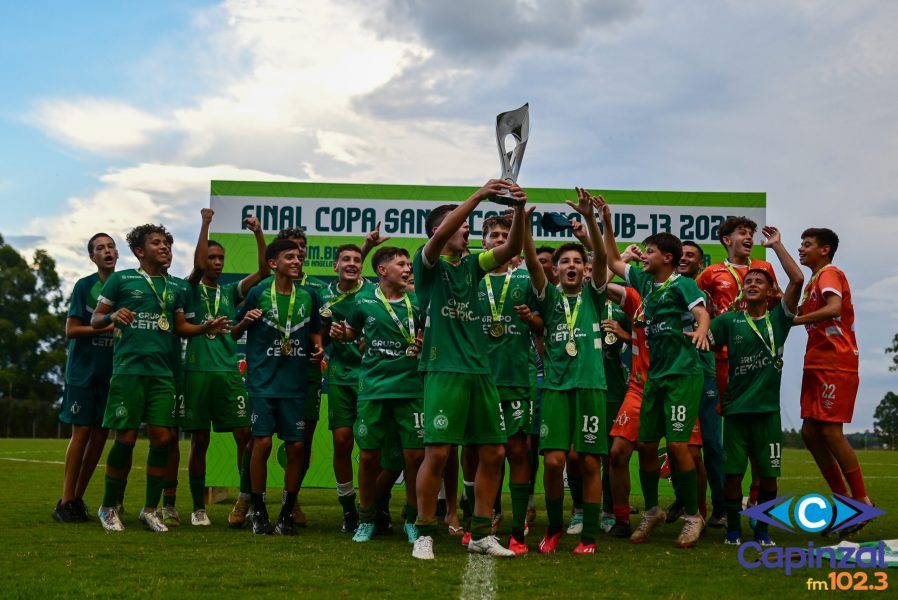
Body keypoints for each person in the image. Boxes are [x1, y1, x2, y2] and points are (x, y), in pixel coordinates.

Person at [411, 179, 527, 561]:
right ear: (438, 232)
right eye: (461, 225)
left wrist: (519, 213)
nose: (467, 229)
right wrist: (478, 195)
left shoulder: (473, 265)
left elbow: (510, 248)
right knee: (439, 454)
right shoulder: (426, 263)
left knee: (494, 453)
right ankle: (425, 532)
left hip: (480, 372)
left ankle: (481, 533)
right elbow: (444, 230)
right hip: (443, 370)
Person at [91, 224, 227, 532]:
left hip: (164, 374)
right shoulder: (121, 279)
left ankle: (149, 509)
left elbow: (180, 327)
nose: (164, 247)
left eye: (167, 242)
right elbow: (95, 318)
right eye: (156, 243)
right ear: (140, 251)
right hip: (129, 372)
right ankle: (108, 506)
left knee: (164, 440)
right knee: (124, 439)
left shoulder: (178, 287)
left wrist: (205, 328)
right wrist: (112, 316)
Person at [601, 198, 712, 549]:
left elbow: (702, 313)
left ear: (667, 258)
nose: (642, 256)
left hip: (683, 376)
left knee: (679, 446)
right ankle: (652, 511)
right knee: (646, 445)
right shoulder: (646, 285)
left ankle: (694, 515)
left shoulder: (682, 285)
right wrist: (604, 220)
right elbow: (614, 261)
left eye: (648, 251)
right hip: (655, 378)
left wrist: (700, 330)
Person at [524, 187, 609, 555]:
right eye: (565, 263)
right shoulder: (550, 296)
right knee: (555, 460)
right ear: (555, 270)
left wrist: (590, 219)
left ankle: (589, 536)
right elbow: (530, 264)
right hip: (556, 387)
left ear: (586, 269)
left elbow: (603, 258)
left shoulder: (594, 293)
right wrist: (524, 229)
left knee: (589, 461)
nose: (572, 266)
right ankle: (555, 528)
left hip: (590, 386)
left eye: (578, 261)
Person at [706, 226, 802, 546]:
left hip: (767, 414)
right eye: (748, 281)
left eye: (758, 280)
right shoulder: (728, 321)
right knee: (733, 475)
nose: (751, 283)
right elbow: (702, 341)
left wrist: (776, 247)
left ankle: (762, 530)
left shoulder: (779, 320)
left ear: (770, 290)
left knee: (769, 477)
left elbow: (798, 280)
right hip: (735, 411)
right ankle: (734, 530)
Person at [331, 246, 425, 544]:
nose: (408, 268)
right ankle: (366, 518)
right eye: (401, 264)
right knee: (369, 456)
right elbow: (350, 331)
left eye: (409, 264)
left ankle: (412, 518)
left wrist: (424, 340)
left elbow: (430, 334)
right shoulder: (363, 301)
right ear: (383, 270)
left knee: (414, 456)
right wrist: (341, 334)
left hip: (411, 388)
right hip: (374, 388)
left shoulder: (419, 300)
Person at [231, 239, 324, 535]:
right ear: (273, 264)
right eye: (290, 257)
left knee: (297, 447)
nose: (297, 261)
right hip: (262, 384)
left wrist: (320, 348)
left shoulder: (309, 296)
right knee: (262, 444)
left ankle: (286, 513)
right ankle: (258, 511)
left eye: (299, 257)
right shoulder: (258, 293)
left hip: (295, 386)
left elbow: (316, 332)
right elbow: (232, 334)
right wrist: (245, 321)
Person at [182, 209, 269, 527]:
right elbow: (197, 266)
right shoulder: (188, 289)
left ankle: (244, 500)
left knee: (245, 435)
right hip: (198, 372)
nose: (217, 262)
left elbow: (263, 270)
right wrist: (205, 223)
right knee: (200, 440)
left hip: (229, 373)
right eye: (212, 257)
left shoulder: (230, 292)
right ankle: (197, 507)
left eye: (221, 258)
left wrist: (258, 232)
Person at [696, 217, 779, 523]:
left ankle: (757, 506)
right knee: (720, 439)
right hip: (721, 360)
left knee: (759, 436)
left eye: (751, 234)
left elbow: (780, 301)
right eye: (742, 233)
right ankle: (720, 508)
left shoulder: (764, 269)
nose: (749, 237)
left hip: (757, 360)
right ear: (726, 240)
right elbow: (694, 304)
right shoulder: (711, 273)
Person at [794, 227, 871, 533]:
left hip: (835, 362)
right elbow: (798, 310)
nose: (801, 248)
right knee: (810, 433)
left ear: (824, 250)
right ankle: (843, 502)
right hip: (816, 363)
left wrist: (796, 319)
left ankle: (861, 503)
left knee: (830, 432)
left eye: (807, 244)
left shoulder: (829, 273)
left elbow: (835, 307)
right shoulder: (813, 280)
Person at [476, 215, 542, 554]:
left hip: (517, 380)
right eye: (493, 235)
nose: (500, 239)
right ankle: (482, 522)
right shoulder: (472, 276)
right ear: (484, 241)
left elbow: (547, 320)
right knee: (484, 454)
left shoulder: (527, 279)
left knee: (517, 452)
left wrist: (533, 319)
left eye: (506, 234)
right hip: (480, 381)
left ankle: (518, 529)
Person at [54, 233, 118, 523]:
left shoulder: (125, 285)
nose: (107, 251)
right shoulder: (84, 286)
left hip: (113, 374)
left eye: (110, 247)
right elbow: (71, 330)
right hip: (83, 373)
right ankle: (65, 501)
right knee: (81, 433)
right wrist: (106, 328)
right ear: (92, 257)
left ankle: (77, 499)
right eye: (100, 248)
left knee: (101, 435)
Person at [274, 227, 327, 526]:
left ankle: (290, 502)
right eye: (292, 247)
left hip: (305, 373)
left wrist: (321, 346)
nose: (299, 252)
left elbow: (324, 331)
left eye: (302, 246)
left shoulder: (317, 289)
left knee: (301, 441)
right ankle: (246, 500)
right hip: (271, 373)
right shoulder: (264, 287)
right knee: (259, 441)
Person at [320, 244, 372, 533]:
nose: (352, 263)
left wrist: (365, 340)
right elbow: (317, 334)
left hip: (372, 377)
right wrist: (327, 338)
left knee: (372, 448)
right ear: (335, 266)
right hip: (340, 376)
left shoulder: (374, 293)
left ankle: (373, 506)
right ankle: (348, 508)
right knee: (342, 441)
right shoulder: (324, 296)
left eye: (357, 259)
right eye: (346, 259)